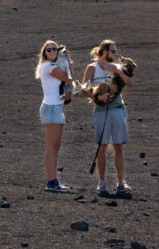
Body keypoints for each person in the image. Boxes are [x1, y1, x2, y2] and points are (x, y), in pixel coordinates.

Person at [82, 39, 134, 194]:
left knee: (118, 145)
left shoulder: (117, 67)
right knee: (102, 146)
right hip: (101, 111)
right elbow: (84, 89)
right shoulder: (92, 68)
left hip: (117, 109)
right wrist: (97, 97)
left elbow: (130, 83)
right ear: (104, 52)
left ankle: (120, 182)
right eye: (113, 51)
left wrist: (118, 71)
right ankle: (102, 182)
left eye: (115, 51)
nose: (115, 54)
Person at [35, 39, 75, 192]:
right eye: (49, 50)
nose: (52, 52)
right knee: (52, 147)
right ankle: (51, 181)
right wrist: (68, 63)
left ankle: (52, 180)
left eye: (55, 49)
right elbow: (67, 78)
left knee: (55, 146)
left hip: (55, 107)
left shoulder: (53, 66)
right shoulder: (48, 66)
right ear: (44, 53)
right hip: (51, 108)